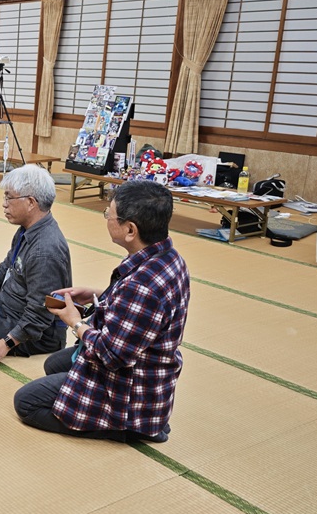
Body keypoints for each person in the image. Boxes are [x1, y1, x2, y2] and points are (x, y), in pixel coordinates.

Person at [13, 180, 190, 444]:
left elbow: (112, 354)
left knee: (26, 403)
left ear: (130, 229)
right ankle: (130, 421)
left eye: (110, 214)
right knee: (54, 364)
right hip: (147, 366)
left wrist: (75, 322)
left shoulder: (142, 286)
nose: (106, 218)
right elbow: (136, 313)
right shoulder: (166, 257)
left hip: (132, 385)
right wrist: (99, 296)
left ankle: (126, 429)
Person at [0, 164, 72, 361]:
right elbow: (5, 268)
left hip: (41, 332)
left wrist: (6, 344)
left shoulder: (45, 251)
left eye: (9, 197)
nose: (4, 204)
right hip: (10, 298)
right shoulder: (28, 229)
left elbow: (40, 314)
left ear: (31, 202)